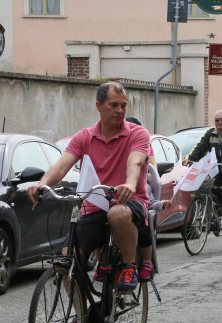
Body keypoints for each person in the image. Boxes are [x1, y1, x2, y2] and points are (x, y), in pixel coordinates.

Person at [27, 82, 150, 291]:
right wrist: (42, 184)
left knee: (117, 214)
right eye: (113, 105)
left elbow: (135, 162)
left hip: (129, 202)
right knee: (65, 262)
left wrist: (129, 184)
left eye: (123, 106)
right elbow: (61, 166)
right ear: (98, 106)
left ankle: (129, 266)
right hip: (93, 207)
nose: (120, 111)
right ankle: (84, 317)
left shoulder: (137, 133)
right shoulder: (84, 137)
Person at [184, 109, 222, 234]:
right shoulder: (210, 133)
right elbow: (200, 148)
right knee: (208, 188)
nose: (220, 122)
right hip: (216, 169)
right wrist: (188, 159)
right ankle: (219, 212)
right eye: (217, 120)